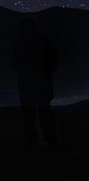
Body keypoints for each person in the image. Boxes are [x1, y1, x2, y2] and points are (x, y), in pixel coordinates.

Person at [12, 18, 58, 150]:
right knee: (44, 113)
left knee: (30, 114)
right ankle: (49, 140)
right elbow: (52, 60)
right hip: (41, 82)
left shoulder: (22, 43)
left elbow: (15, 61)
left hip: (29, 83)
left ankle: (33, 141)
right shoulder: (43, 41)